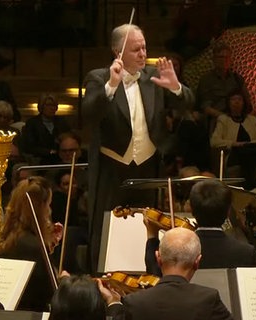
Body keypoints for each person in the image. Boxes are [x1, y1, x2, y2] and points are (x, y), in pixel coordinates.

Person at [82, 23, 194, 273]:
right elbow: (88, 114)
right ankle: (103, 278)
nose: (143, 54)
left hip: (148, 167)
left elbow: (188, 103)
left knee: (149, 229)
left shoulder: (154, 77)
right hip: (113, 169)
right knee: (107, 231)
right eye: (136, 50)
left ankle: (150, 275)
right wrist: (111, 86)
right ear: (117, 52)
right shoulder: (98, 77)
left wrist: (176, 87)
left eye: (144, 47)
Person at [107, 228, 234, 320]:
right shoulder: (208, 299)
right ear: (197, 261)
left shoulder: (134, 302)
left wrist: (114, 303)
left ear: (158, 258)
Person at [145, 179, 256, 276]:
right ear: (228, 212)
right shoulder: (245, 252)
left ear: (192, 211)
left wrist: (152, 236)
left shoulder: (178, 250)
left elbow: (155, 278)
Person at [0, 176, 63, 312]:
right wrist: (63, 280)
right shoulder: (34, 246)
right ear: (40, 208)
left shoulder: (1, 239)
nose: (49, 211)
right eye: (48, 205)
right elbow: (50, 293)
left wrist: (50, 246)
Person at [210, 89, 256, 189]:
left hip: (252, 151)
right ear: (228, 103)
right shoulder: (223, 119)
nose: (236, 102)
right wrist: (235, 144)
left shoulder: (251, 119)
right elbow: (214, 141)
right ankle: (251, 185)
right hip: (234, 153)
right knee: (243, 153)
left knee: (253, 151)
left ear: (244, 102)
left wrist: (248, 144)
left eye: (239, 99)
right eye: (233, 99)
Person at [20, 93, 72, 165]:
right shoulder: (32, 123)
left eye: (54, 105)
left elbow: (70, 137)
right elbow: (29, 147)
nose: (52, 108)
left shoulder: (61, 122)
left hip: (61, 157)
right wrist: (49, 152)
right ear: (41, 106)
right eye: (49, 105)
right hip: (40, 159)